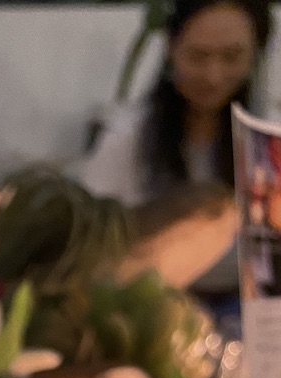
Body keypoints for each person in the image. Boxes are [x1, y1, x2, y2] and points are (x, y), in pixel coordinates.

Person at [78, 0, 272, 306]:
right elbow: (86, 241)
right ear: (171, 48)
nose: (213, 75)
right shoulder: (128, 138)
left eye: (232, 57)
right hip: (146, 308)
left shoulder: (269, 142)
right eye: (198, 56)